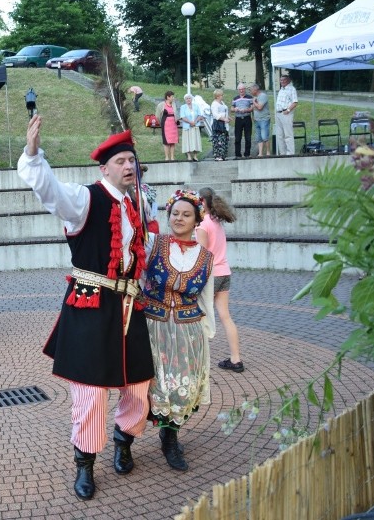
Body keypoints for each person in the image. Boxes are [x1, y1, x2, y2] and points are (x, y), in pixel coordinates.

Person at [17, 115, 154, 501]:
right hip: (92, 303)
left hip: (130, 302)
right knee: (91, 393)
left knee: (140, 384)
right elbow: (50, 193)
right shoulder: (84, 198)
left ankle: (124, 439)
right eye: (121, 162)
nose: (129, 166)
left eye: (133, 161)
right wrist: (33, 153)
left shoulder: (138, 203)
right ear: (104, 168)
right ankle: (85, 464)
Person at [143, 189, 215, 472]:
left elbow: (206, 298)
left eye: (186, 214)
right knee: (150, 386)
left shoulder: (206, 258)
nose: (179, 219)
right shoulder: (153, 244)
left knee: (180, 387)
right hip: (153, 327)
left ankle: (169, 438)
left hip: (188, 331)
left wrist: (208, 334)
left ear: (197, 219)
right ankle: (124, 441)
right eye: (175, 213)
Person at [196, 187, 243, 373]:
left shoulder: (202, 224)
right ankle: (236, 359)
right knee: (225, 316)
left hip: (210, 275)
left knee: (198, 317)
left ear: (202, 202)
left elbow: (202, 255)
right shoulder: (216, 221)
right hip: (224, 272)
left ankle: (197, 360)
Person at [275, 74, 299, 155]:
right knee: (279, 135)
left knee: (288, 135)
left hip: (286, 114)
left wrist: (288, 110)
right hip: (278, 114)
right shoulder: (281, 89)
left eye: (283, 80)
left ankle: (290, 153)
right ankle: (283, 153)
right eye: (281, 80)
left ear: (288, 80)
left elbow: (295, 102)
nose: (281, 81)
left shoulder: (291, 89)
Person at [178, 93, 204, 162]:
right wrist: (190, 122)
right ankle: (189, 156)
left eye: (189, 98)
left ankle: (195, 156)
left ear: (191, 99)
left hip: (195, 126)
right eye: (187, 98)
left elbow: (200, 115)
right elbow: (183, 117)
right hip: (187, 127)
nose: (188, 100)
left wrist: (195, 122)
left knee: (196, 141)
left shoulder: (196, 106)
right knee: (187, 141)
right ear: (185, 100)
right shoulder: (183, 107)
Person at [231, 83, 254, 158]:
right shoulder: (235, 98)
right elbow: (231, 109)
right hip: (238, 119)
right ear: (238, 90)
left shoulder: (250, 97)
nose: (241, 90)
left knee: (248, 137)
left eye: (242, 89)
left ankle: (247, 154)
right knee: (237, 137)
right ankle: (238, 154)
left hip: (247, 118)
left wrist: (246, 110)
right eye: (240, 89)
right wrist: (235, 109)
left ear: (245, 89)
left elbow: (252, 108)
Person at [210, 89, 230, 161]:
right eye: (221, 95)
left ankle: (223, 155)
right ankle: (218, 155)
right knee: (218, 139)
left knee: (224, 139)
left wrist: (227, 117)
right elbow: (215, 115)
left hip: (224, 123)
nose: (222, 96)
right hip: (218, 124)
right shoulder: (214, 104)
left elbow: (224, 111)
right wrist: (224, 119)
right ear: (217, 96)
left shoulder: (222, 103)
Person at [251, 83, 271, 157]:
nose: (250, 91)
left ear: (255, 90)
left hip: (264, 119)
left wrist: (254, 102)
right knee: (259, 138)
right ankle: (260, 153)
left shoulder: (263, 96)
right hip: (257, 120)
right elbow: (254, 108)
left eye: (251, 90)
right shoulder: (255, 97)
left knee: (264, 136)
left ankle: (268, 152)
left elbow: (259, 107)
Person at [160, 91, 178, 161]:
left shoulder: (174, 104)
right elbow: (158, 115)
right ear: (168, 97)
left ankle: (172, 157)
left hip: (173, 124)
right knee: (166, 141)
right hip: (165, 124)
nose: (173, 98)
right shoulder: (162, 105)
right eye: (172, 97)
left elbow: (176, 114)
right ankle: (167, 157)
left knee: (173, 141)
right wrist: (160, 122)